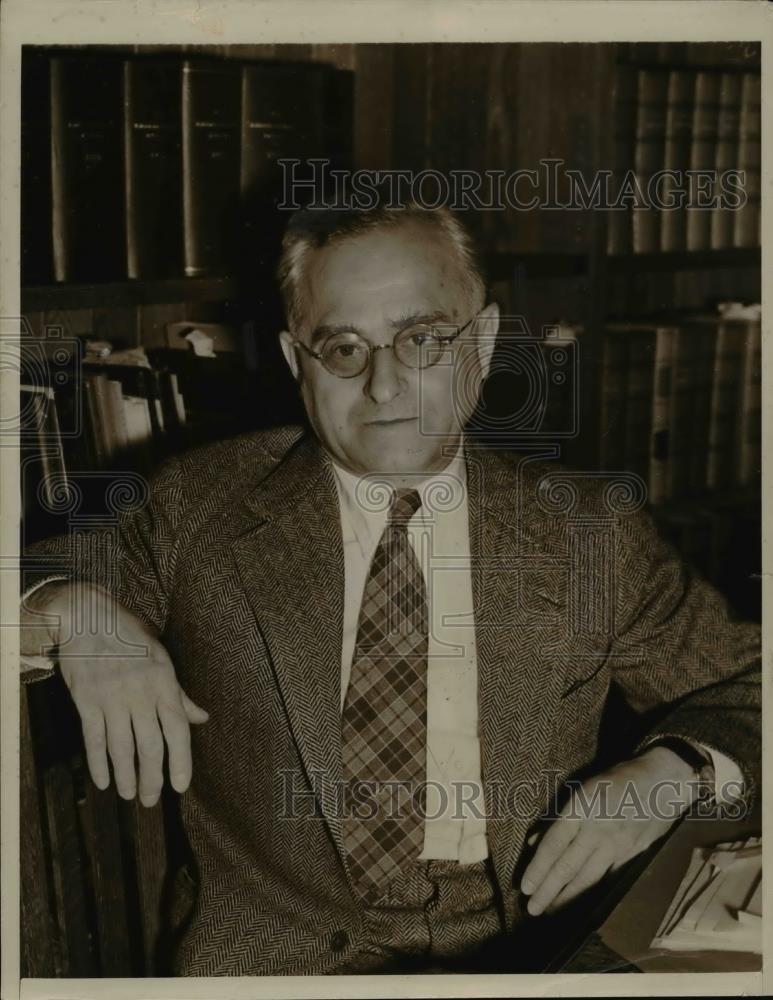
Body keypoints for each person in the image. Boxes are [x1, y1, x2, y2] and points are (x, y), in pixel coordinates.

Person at [20, 200, 761, 976]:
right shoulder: (200, 505)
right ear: (292, 359)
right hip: (272, 969)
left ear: (480, 342)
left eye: (422, 339)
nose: (381, 384)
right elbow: (34, 576)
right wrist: (73, 611)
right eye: (341, 347)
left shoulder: (584, 534)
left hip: (538, 955)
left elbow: (749, 684)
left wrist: (665, 771)